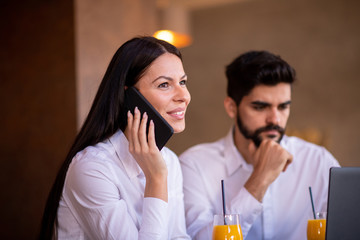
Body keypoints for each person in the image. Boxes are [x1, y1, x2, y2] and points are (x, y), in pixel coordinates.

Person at [39, 36, 191, 239]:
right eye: (164, 85)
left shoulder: (169, 160)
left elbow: (179, 237)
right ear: (130, 96)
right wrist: (156, 179)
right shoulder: (92, 168)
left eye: (182, 82)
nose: (184, 96)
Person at [179, 50, 340, 240]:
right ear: (232, 107)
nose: (275, 119)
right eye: (260, 107)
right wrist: (259, 179)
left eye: (283, 107)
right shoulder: (194, 165)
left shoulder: (318, 161)